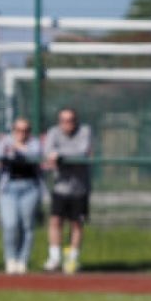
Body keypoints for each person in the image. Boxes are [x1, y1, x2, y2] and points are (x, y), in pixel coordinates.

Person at [43, 108, 92, 274]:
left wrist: (59, 156)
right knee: (55, 221)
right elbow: (47, 152)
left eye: (70, 120)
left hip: (79, 188)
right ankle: (54, 257)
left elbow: (82, 152)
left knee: (77, 223)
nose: (67, 124)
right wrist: (54, 156)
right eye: (63, 120)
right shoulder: (53, 133)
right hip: (60, 187)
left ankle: (72, 257)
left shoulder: (84, 131)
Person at [0, 117, 42, 274]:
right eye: (18, 130)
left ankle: (23, 260)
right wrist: (7, 146)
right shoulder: (5, 141)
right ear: (13, 130)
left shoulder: (34, 142)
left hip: (29, 188)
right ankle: (11, 258)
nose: (22, 133)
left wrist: (17, 148)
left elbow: (35, 155)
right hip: (9, 188)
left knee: (27, 226)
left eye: (26, 130)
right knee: (10, 224)